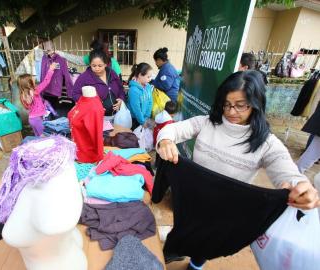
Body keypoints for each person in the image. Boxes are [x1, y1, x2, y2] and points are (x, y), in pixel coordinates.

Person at [156, 70, 320, 270]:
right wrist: (165, 140)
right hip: (194, 199)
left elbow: (287, 170)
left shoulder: (267, 143)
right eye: (227, 104)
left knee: (209, 242)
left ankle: (196, 264)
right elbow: (173, 129)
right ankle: (176, 249)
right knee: (185, 229)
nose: (232, 112)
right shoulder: (206, 123)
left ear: (256, 103)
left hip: (227, 209)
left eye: (241, 105)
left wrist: (302, 186)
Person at [72, 49, 125, 116]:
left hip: (116, 115)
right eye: (94, 66)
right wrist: (92, 105)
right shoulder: (84, 77)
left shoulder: (112, 73)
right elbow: (75, 94)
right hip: (95, 117)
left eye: (100, 66)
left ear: (105, 64)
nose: (97, 68)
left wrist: (121, 99)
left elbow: (121, 89)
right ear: (90, 64)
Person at [17, 62, 57, 136]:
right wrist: (51, 70)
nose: (34, 81)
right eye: (33, 80)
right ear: (29, 83)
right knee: (44, 137)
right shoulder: (35, 91)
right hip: (38, 119)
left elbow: (27, 106)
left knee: (38, 138)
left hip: (32, 119)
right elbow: (46, 81)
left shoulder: (22, 95)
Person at [127, 63, 153, 129]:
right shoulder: (133, 90)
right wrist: (142, 121)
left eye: (150, 77)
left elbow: (150, 101)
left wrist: (147, 117)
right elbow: (136, 109)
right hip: (135, 120)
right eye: (148, 77)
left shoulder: (148, 86)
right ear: (140, 75)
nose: (150, 79)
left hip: (144, 118)